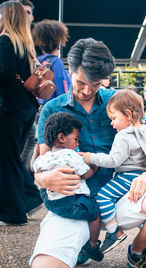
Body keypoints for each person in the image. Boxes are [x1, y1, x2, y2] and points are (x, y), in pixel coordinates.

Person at [30, 38, 146, 268]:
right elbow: (40, 160)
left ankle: (137, 253)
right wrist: (42, 179)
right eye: (80, 82)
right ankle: (82, 243)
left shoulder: (121, 101)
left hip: (119, 195)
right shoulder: (52, 109)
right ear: (69, 70)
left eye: (95, 84)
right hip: (74, 202)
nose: (86, 90)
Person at [80, 89, 146, 254]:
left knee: (103, 196)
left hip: (128, 176)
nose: (112, 124)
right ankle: (140, 226)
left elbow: (113, 161)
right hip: (143, 176)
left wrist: (90, 157)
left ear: (128, 114)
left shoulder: (124, 135)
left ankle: (114, 232)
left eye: (114, 118)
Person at [33, 112, 103, 262]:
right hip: (71, 202)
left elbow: (34, 167)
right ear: (62, 138)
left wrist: (35, 153)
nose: (77, 144)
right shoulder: (72, 156)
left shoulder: (44, 158)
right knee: (95, 212)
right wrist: (95, 165)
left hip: (51, 202)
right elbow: (87, 174)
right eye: (76, 139)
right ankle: (91, 244)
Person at [0, 1, 42, 225]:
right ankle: (26, 203)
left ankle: (13, 214)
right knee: (13, 161)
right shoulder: (24, 44)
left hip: (10, 108)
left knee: (7, 161)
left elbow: (4, 73)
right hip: (25, 107)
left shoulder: (5, 41)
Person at [32, 19, 71, 107]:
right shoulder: (55, 62)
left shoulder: (36, 62)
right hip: (52, 110)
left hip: (37, 108)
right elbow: (63, 91)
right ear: (58, 46)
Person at [18, 0, 37, 171]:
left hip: (25, 106)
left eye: (30, 13)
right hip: (14, 106)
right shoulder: (9, 41)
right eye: (26, 12)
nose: (30, 17)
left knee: (32, 137)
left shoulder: (26, 41)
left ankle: (20, 175)